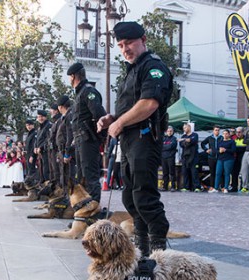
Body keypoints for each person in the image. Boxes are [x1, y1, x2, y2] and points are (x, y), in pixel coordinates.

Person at [96, 21, 173, 256]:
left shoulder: (153, 68)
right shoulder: (132, 70)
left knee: (145, 196)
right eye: (120, 45)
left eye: (128, 43)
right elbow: (131, 106)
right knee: (130, 197)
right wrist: (112, 118)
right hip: (129, 141)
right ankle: (142, 247)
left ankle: (159, 251)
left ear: (143, 40)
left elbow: (149, 104)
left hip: (145, 139)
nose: (124, 49)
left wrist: (120, 122)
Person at [68, 62, 107, 203]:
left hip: (88, 139)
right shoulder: (80, 93)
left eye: (69, 77)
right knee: (81, 176)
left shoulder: (88, 91)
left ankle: (94, 211)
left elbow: (99, 115)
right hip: (80, 139)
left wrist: (100, 138)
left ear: (73, 76)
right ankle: (84, 209)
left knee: (90, 176)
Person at [55, 95, 75, 190]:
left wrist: (67, 153)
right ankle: (65, 195)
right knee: (64, 174)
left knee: (68, 175)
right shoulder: (65, 117)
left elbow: (70, 136)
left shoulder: (69, 116)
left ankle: (68, 196)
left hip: (67, 151)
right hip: (62, 150)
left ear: (61, 107)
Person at [179, 122, 201, 192]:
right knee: (185, 172)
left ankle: (197, 187)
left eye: (185, 127)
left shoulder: (195, 135)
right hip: (185, 157)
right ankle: (186, 187)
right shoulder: (183, 136)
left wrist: (187, 141)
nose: (184, 129)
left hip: (193, 157)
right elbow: (182, 144)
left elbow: (193, 140)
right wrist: (187, 141)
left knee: (194, 172)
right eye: (183, 128)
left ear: (189, 127)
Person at [201, 126, 223, 192]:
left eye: (218, 130)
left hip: (219, 157)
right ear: (213, 131)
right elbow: (202, 143)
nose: (217, 131)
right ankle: (212, 186)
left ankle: (220, 186)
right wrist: (206, 150)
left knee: (220, 173)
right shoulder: (210, 138)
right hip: (211, 157)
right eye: (216, 130)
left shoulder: (221, 138)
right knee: (212, 173)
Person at [214, 129, 236, 193]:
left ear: (229, 134)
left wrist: (225, 150)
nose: (225, 135)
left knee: (227, 173)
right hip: (220, 159)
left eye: (226, 133)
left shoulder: (232, 142)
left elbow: (233, 150)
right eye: (224, 134)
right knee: (218, 173)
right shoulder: (220, 142)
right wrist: (219, 151)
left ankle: (226, 187)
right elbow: (216, 151)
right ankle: (216, 187)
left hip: (228, 159)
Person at [34, 110, 51, 182]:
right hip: (40, 152)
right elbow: (37, 139)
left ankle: (47, 184)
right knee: (41, 169)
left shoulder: (49, 125)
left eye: (42, 117)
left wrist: (41, 147)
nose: (40, 118)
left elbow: (48, 139)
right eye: (39, 117)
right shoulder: (39, 127)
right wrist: (35, 147)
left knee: (46, 169)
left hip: (46, 150)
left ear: (45, 117)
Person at [161, 125, 178, 191]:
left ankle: (173, 187)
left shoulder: (174, 139)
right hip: (163, 158)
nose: (169, 132)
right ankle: (165, 186)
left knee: (172, 173)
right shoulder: (163, 138)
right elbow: (161, 147)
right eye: (168, 131)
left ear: (173, 132)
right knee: (165, 173)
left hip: (170, 158)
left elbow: (172, 146)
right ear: (166, 131)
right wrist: (167, 147)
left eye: (171, 131)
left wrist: (165, 147)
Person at [230, 126, 246, 191]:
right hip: (235, 158)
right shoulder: (234, 139)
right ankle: (234, 187)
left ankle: (243, 187)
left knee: (243, 173)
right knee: (234, 173)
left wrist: (237, 149)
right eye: (237, 132)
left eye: (239, 132)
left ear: (243, 132)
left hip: (243, 158)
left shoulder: (245, 139)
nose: (238, 134)